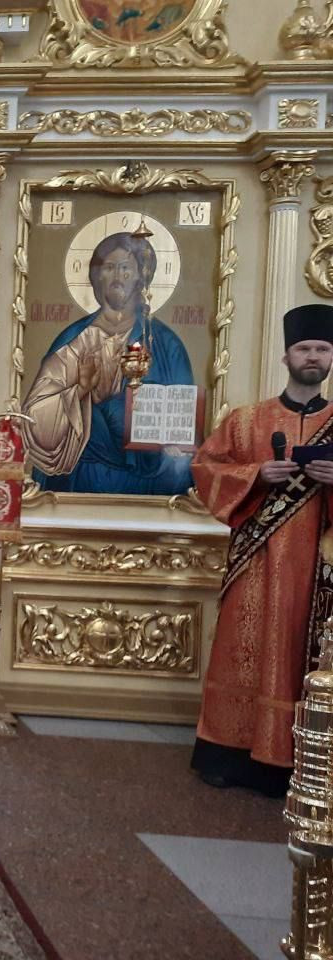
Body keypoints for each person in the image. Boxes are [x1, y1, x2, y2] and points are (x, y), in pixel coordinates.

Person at [190, 303, 333, 797]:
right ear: (286, 356)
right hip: (255, 561)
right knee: (240, 651)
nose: (312, 356)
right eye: (304, 348)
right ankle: (225, 756)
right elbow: (205, 468)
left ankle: (298, 764)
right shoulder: (246, 420)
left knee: (299, 659)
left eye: (322, 349)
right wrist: (255, 475)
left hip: (315, 569)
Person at [24, 230, 197, 495]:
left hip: (148, 476)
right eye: (109, 267)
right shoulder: (74, 340)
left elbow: (182, 421)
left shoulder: (166, 344)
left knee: (179, 468)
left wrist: (128, 413)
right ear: (96, 276)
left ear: (141, 277)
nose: (118, 276)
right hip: (83, 471)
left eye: (126, 268)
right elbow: (35, 415)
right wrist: (79, 392)